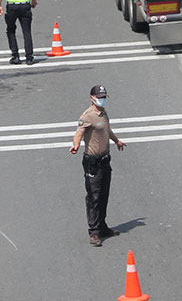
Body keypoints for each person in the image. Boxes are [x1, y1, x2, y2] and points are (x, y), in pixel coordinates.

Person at [69, 85, 126, 247]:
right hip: (92, 162)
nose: (103, 99)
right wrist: (75, 145)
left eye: (104, 96)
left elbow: (107, 130)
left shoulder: (103, 113)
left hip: (105, 160)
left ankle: (102, 226)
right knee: (94, 196)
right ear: (92, 98)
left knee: (104, 194)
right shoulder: (88, 116)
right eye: (100, 96)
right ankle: (94, 232)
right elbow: (78, 134)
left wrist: (117, 141)